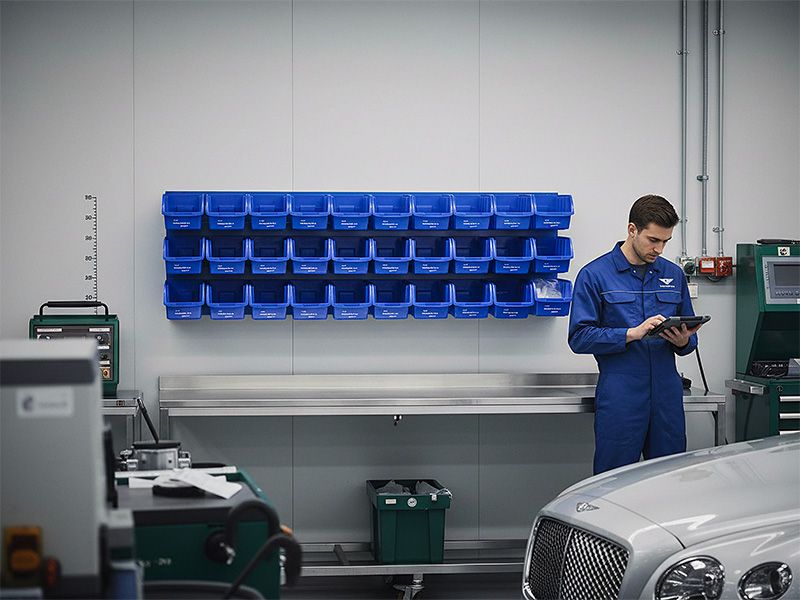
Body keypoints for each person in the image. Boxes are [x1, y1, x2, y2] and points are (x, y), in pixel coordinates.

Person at [568, 194, 703, 475]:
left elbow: (691, 340)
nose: (659, 249)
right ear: (632, 230)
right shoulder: (595, 275)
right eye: (653, 240)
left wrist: (684, 341)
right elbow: (579, 337)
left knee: (669, 477)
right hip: (621, 395)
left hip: (667, 394)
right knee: (612, 482)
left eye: (665, 241)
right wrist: (631, 333)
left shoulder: (673, 275)